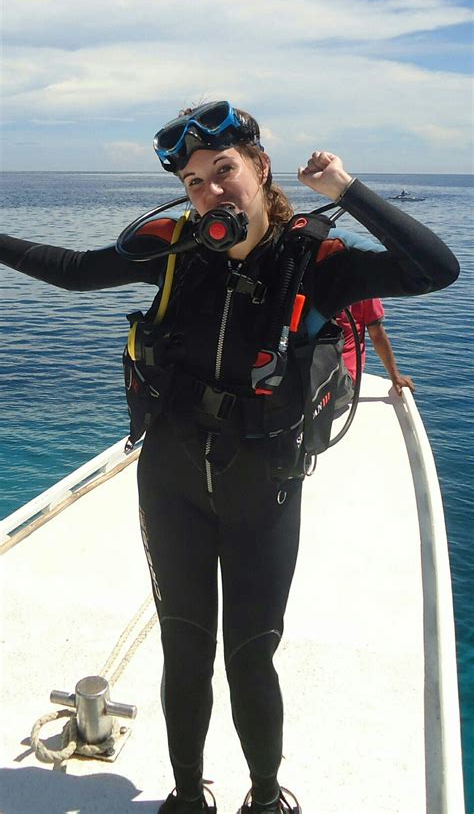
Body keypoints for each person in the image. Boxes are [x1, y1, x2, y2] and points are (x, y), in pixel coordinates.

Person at [0, 100, 460, 814]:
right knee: (185, 649)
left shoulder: (317, 260)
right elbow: (73, 269)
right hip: (172, 481)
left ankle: (267, 797)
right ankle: (187, 797)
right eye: (193, 181)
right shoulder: (177, 250)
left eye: (223, 171)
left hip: (265, 487)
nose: (210, 192)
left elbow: (436, 269)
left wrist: (348, 190)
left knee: (251, 657)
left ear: (260, 168)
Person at [334, 298, 415, 410]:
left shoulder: (308, 285)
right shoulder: (364, 286)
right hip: (341, 385)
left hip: (317, 377)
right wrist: (395, 377)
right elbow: (376, 335)